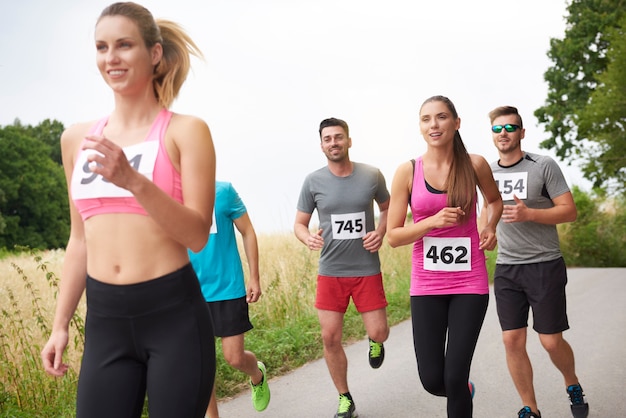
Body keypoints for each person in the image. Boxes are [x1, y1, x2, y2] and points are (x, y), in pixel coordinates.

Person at [40, 3, 216, 418]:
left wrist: (133, 181)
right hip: (106, 322)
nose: (111, 57)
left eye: (124, 45)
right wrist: (60, 324)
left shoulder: (186, 131)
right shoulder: (76, 139)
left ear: (154, 54)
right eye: (102, 47)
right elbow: (79, 238)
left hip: (173, 317)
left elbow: (196, 233)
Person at [386, 95, 503, 418]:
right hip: (426, 286)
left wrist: (490, 226)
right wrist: (432, 222)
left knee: (454, 376)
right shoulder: (407, 172)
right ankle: (463, 391)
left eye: (441, 117)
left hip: (470, 283)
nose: (433, 125)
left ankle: (459, 390)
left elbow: (494, 201)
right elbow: (393, 236)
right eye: (426, 119)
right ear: (420, 126)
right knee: (432, 379)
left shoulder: (475, 164)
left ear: (456, 123)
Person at [485, 106, 589, 418]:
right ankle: (530, 408)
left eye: (510, 127)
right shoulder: (487, 171)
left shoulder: (543, 165)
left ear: (522, 132)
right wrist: (487, 230)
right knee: (511, 339)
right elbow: (487, 209)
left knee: (550, 341)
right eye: (497, 129)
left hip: (544, 264)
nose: (503, 134)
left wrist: (530, 214)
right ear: (492, 134)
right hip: (507, 267)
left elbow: (568, 211)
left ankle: (572, 382)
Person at [294, 117, 390, 418]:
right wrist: (307, 237)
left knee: (381, 330)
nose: (333, 143)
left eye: (338, 137)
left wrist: (382, 231)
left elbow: (388, 208)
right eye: (327, 139)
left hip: (366, 270)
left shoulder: (372, 175)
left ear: (349, 140)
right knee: (330, 338)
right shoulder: (313, 181)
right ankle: (345, 398)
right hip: (330, 271)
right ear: (321, 144)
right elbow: (299, 223)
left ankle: (376, 341)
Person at [188, 181, 270, 417]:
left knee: (234, 358)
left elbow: (248, 231)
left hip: (227, 288)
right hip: (190, 293)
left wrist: (254, 277)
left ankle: (257, 374)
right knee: (201, 365)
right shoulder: (169, 193)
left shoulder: (223, 191)